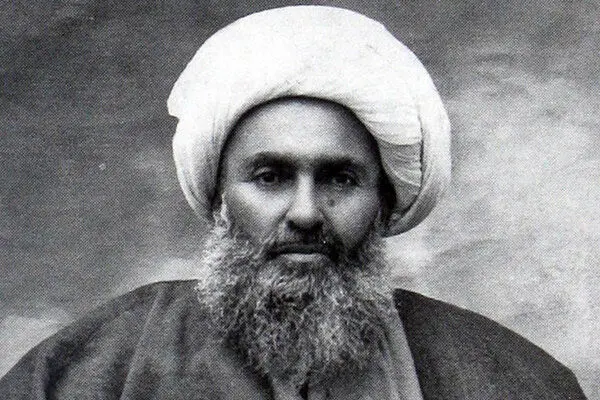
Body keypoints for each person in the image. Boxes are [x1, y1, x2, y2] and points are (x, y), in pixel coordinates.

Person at [0, 6, 586, 400]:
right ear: (220, 199)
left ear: (383, 203)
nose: (305, 212)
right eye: (270, 177)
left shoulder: (512, 379)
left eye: (340, 179)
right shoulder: (100, 366)